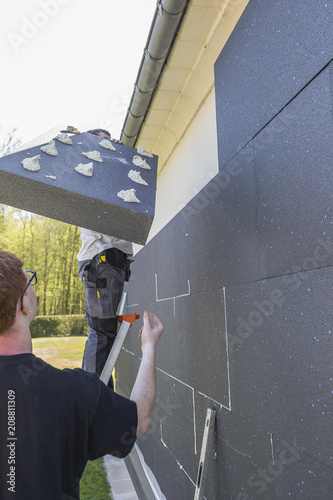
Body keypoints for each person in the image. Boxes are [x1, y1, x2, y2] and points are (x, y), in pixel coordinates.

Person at [0, 250, 164, 500]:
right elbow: (139, 418)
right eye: (29, 280)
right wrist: (149, 347)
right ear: (23, 303)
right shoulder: (71, 391)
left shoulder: (73, 390)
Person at [78, 128, 134, 389]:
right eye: (105, 139)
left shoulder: (107, 174)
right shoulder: (92, 175)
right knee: (101, 332)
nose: (111, 141)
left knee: (106, 333)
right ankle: (92, 398)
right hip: (102, 261)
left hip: (110, 263)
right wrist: (113, 157)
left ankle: (100, 396)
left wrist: (119, 158)